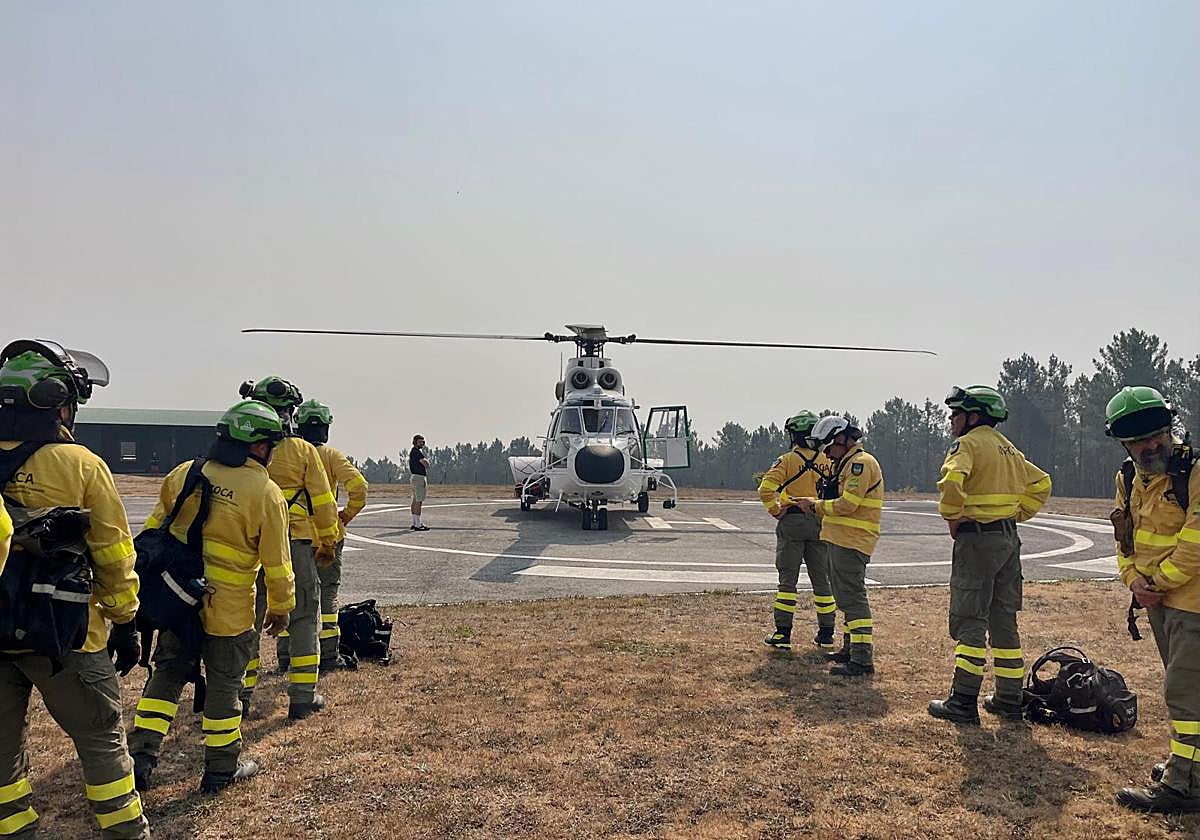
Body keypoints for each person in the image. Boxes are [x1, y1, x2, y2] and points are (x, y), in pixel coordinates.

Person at [0, 339, 149, 838]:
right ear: (55, 403)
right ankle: (126, 832)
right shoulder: (81, 465)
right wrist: (125, 621)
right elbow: (113, 554)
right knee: (102, 741)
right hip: (68, 637)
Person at [128, 400, 295, 793]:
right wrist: (282, 607)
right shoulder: (266, 493)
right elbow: (277, 562)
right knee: (224, 686)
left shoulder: (184, 473)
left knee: (166, 675)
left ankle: (140, 758)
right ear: (258, 446)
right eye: (271, 444)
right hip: (229, 610)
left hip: (178, 602)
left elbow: (153, 534)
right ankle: (221, 768)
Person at [926, 386, 1051, 726]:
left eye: (956, 414)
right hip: (1008, 540)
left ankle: (963, 701)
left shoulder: (967, 445)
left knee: (970, 618)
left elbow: (952, 478)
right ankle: (1010, 700)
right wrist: (1014, 514)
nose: (951, 420)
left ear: (973, 416)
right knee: (1003, 619)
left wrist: (953, 516)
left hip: (977, 541)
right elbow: (1041, 483)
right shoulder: (1008, 448)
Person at [1104, 387, 1200, 813]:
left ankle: (1185, 786)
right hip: (1159, 603)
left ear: (1169, 428)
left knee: (1185, 696)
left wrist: (1156, 584)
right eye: (1140, 440)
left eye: (1157, 434)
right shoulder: (1127, 478)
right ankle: (1189, 764)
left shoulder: (1193, 472)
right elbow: (1124, 542)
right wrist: (1133, 582)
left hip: (1191, 604)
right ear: (1125, 443)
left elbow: (1195, 544)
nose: (1151, 445)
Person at [236, 377, 338, 720]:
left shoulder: (237, 450)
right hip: (294, 543)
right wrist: (327, 543)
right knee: (305, 615)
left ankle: (241, 695)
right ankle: (302, 697)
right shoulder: (303, 451)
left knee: (247, 620)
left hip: (248, 546)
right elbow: (323, 503)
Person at [795, 415, 884, 677]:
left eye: (830, 447)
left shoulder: (860, 464)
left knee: (854, 599)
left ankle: (862, 659)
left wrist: (814, 506)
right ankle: (850, 649)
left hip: (852, 541)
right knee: (845, 598)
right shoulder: (845, 464)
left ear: (843, 440)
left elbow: (848, 504)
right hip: (839, 539)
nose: (828, 454)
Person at [296, 399, 368, 669]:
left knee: (293, 596)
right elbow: (359, 487)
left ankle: (287, 655)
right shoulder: (332, 456)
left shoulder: (288, 456)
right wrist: (345, 516)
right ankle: (328, 655)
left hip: (296, 536)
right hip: (329, 537)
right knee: (327, 595)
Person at [758, 411, 837, 650]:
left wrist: (776, 510)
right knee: (822, 581)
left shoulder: (788, 460)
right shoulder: (829, 460)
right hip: (820, 522)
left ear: (796, 435)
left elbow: (766, 488)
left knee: (787, 582)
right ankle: (826, 633)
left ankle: (783, 633)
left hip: (792, 522)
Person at [409, 434, 430, 531]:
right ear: (415, 442)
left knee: (415, 500)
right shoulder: (416, 452)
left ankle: (415, 522)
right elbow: (425, 464)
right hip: (419, 477)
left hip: (414, 477)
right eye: (420, 442)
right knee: (419, 501)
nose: (422, 444)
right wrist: (426, 462)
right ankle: (417, 524)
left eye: (423, 442)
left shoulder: (414, 452)